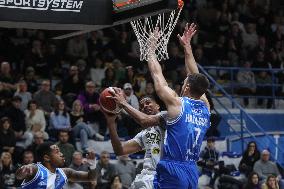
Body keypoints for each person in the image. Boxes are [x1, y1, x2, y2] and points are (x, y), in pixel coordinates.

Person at [109, 23, 210, 188]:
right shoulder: (205, 107)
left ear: (188, 87)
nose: (183, 82)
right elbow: (194, 74)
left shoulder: (177, 105)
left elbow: (157, 75)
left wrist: (150, 48)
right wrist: (187, 48)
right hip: (192, 170)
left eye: (184, 81)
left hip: (173, 167)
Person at [103, 95, 166, 189]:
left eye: (148, 103)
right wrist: (111, 122)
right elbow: (119, 150)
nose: (145, 106)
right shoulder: (144, 133)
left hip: (163, 175)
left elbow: (144, 120)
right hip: (147, 176)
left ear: (157, 106)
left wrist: (123, 103)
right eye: (141, 107)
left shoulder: (167, 116)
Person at [15, 142, 97, 189]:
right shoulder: (36, 169)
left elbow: (91, 178)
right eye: (57, 152)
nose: (62, 154)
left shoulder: (66, 172)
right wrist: (23, 169)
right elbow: (19, 176)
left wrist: (93, 165)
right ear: (47, 158)